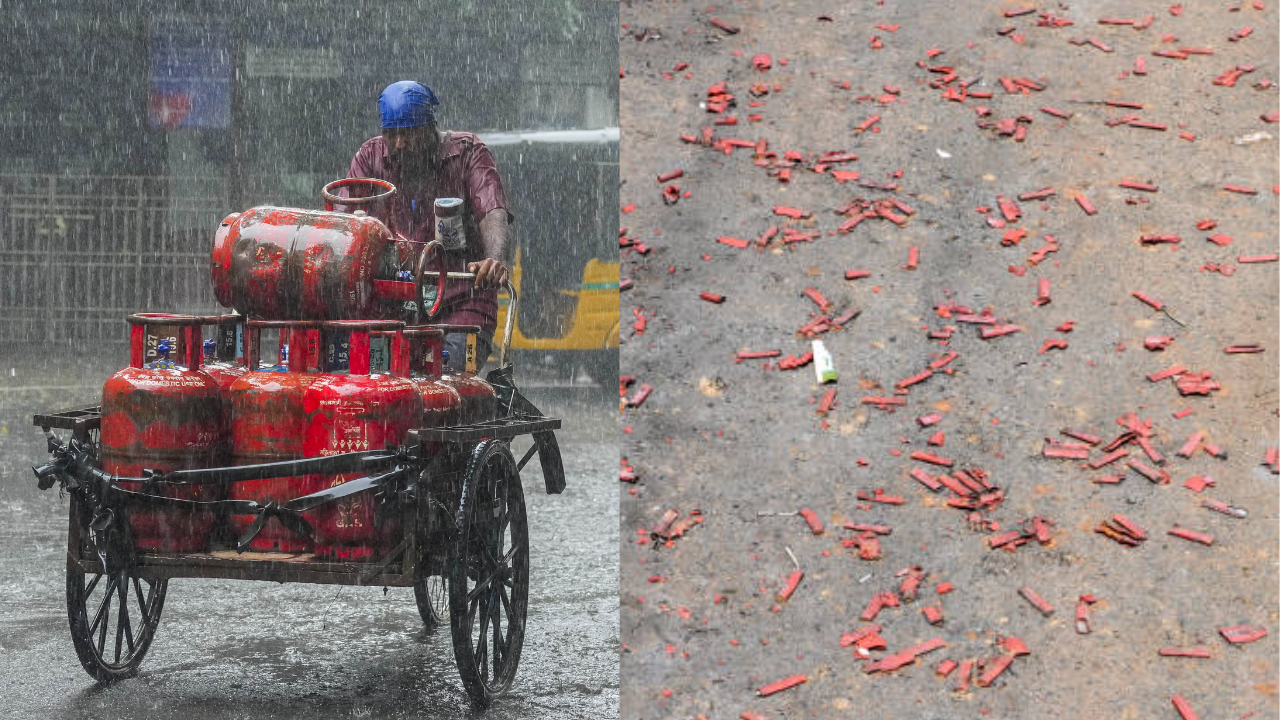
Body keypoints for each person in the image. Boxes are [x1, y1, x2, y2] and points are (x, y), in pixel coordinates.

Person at [344, 80, 513, 373]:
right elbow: (345, 221)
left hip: (462, 306)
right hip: (394, 309)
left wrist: (494, 259)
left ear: (429, 127)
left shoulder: (469, 153)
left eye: (408, 134)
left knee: (448, 389)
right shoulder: (370, 158)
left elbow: (492, 208)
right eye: (390, 134)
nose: (398, 144)